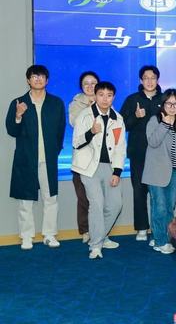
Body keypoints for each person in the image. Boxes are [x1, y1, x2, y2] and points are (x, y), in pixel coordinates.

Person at [5, 65, 66, 250]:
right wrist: (18, 115)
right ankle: (26, 236)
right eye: (34, 76)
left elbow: (60, 131)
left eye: (41, 76)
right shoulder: (18, 102)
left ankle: (49, 234)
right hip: (26, 159)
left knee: (51, 198)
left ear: (47, 80)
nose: (38, 79)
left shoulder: (56, 103)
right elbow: (11, 130)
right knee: (25, 200)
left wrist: (54, 151)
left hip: (48, 159)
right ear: (28, 80)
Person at [71, 81, 126, 259]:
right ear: (95, 96)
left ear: (113, 97)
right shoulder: (84, 116)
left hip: (110, 167)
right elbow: (76, 143)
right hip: (89, 168)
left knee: (115, 205)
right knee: (96, 204)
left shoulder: (118, 118)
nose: (105, 99)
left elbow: (120, 148)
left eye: (109, 95)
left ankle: (100, 236)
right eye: (101, 95)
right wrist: (91, 132)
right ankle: (95, 246)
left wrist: (117, 172)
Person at [142, 89, 176, 254]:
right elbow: (153, 142)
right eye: (168, 103)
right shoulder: (154, 120)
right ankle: (161, 241)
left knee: (169, 207)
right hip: (156, 172)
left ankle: (161, 237)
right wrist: (164, 124)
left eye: (175, 104)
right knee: (160, 206)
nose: (172, 107)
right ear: (163, 105)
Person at [120, 65, 163, 241]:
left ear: (157, 80)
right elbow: (122, 125)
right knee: (139, 191)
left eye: (153, 78)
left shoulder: (165, 99)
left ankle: (158, 228)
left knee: (158, 193)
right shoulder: (132, 100)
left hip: (160, 155)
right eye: (146, 78)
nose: (150, 81)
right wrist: (135, 117)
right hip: (138, 153)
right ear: (141, 80)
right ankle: (142, 228)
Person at [68, 70, 99, 243]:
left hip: (101, 158)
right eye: (86, 83)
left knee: (100, 198)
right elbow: (75, 123)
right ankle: (86, 230)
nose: (90, 86)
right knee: (83, 197)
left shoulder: (105, 101)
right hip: (82, 158)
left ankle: (100, 229)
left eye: (93, 83)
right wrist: (90, 107)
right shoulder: (75, 104)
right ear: (81, 86)